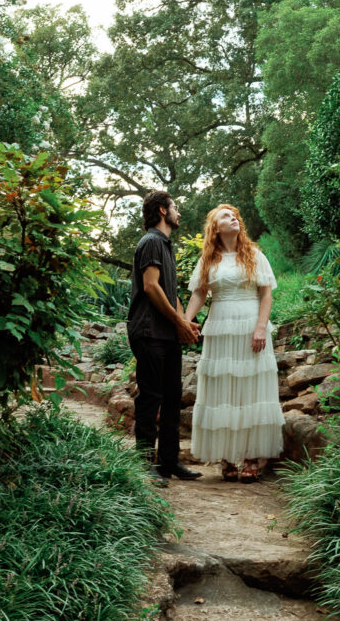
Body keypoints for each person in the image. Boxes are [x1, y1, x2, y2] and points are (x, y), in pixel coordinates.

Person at [184, 204, 285, 482]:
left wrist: (261, 328)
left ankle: (251, 457)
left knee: (250, 389)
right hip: (220, 327)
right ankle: (227, 457)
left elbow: (266, 294)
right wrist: (184, 321)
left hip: (250, 324)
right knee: (223, 390)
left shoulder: (254, 255)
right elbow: (199, 295)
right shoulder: (208, 260)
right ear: (215, 228)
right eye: (226, 217)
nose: (234, 219)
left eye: (235, 215)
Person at [127, 191, 202, 484]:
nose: (179, 213)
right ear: (162, 210)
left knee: (172, 399)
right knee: (151, 398)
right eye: (175, 208)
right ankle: (144, 467)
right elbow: (150, 287)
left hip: (167, 336)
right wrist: (178, 323)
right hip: (149, 333)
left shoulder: (165, 245)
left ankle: (169, 463)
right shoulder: (152, 241)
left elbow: (169, 293)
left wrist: (186, 324)